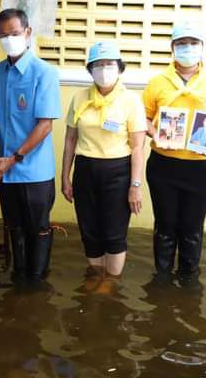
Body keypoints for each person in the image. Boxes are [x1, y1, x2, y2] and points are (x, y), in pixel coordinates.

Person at [143, 22, 206, 279]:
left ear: (202, 47)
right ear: (172, 48)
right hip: (164, 165)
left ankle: (188, 279)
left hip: (202, 167)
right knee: (165, 227)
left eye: (193, 43)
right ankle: (162, 279)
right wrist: (155, 134)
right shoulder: (158, 82)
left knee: (192, 229)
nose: (188, 48)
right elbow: (143, 117)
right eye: (182, 43)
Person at [0, 8, 61, 283]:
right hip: (5, 171)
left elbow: (45, 126)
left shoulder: (44, 73)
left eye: (14, 33)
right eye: (3, 35)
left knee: (38, 229)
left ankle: (37, 283)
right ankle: (19, 279)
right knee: (14, 226)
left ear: (27, 32)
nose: (9, 39)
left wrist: (13, 159)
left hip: (34, 172)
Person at [60, 41, 146, 284]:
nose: (104, 69)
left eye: (109, 64)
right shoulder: (79, 97)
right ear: (90, 69)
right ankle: (97, 275)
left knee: (113, 231)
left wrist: (135, 185)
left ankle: (110, 283)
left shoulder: (130, 100)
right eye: (98, 65)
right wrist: (65, 177)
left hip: (118, 172)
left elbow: (138, 147)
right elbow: (70, 139)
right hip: (85, 169)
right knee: (89, 229)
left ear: (119, 67)